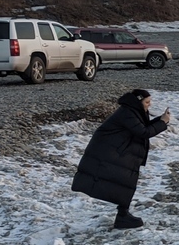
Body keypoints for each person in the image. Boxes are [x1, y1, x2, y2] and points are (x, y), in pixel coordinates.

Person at [72, 89, 170, 229]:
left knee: (126, 182)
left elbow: (143, 127)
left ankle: (123, 214)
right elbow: (143, 132)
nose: (149, 105)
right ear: (138, 101)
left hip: (119, 151)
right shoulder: (127, 113)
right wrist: (163, 123)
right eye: (147, 102)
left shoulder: (133, 111)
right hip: (111, 151)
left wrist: (160, 120)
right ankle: (123, 216)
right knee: (124, 181)